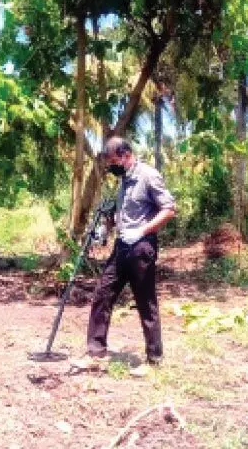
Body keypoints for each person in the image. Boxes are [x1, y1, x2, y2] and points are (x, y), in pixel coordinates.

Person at [73, 137, 176, 373]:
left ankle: (154, 360)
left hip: (141, 248)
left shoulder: (148, 176)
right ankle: (95, 352)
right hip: (121, 247)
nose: (111, 167)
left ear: (125, 154)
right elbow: (123, 215)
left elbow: (169, 209)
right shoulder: (123, 182)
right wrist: (105, 229)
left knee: (145, 302)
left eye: (112, 162)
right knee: (102, 293)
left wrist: (142, 230)